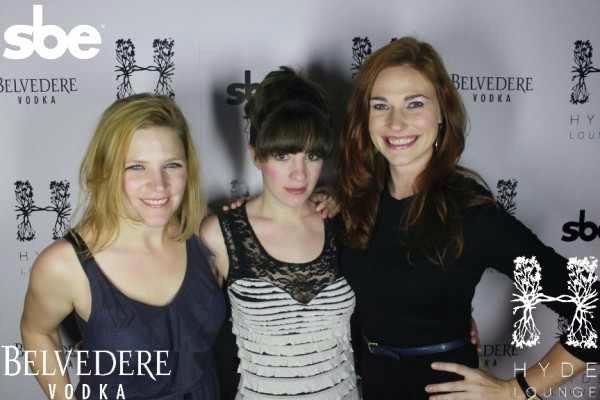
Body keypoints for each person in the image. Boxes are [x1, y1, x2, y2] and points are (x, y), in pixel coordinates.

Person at [335, 36, 600, 399]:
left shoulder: (471, 215)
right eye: (381, 105)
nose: (396, 122)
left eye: (414, 104)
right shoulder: (354, 202)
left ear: (442, 114)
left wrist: (515, 391)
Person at [20, 94, 225, 400]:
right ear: (105, 171)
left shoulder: (204, 234)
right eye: (136, 167)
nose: (159, 185)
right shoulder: (66, 264)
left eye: (171, 165)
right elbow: (36, 333)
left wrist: (323, 200)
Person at [200, 67, 360, 399]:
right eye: (283, 154)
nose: (299, 173)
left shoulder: (341, 222)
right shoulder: (221, 233)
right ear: (256, 154)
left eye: (312, 155)